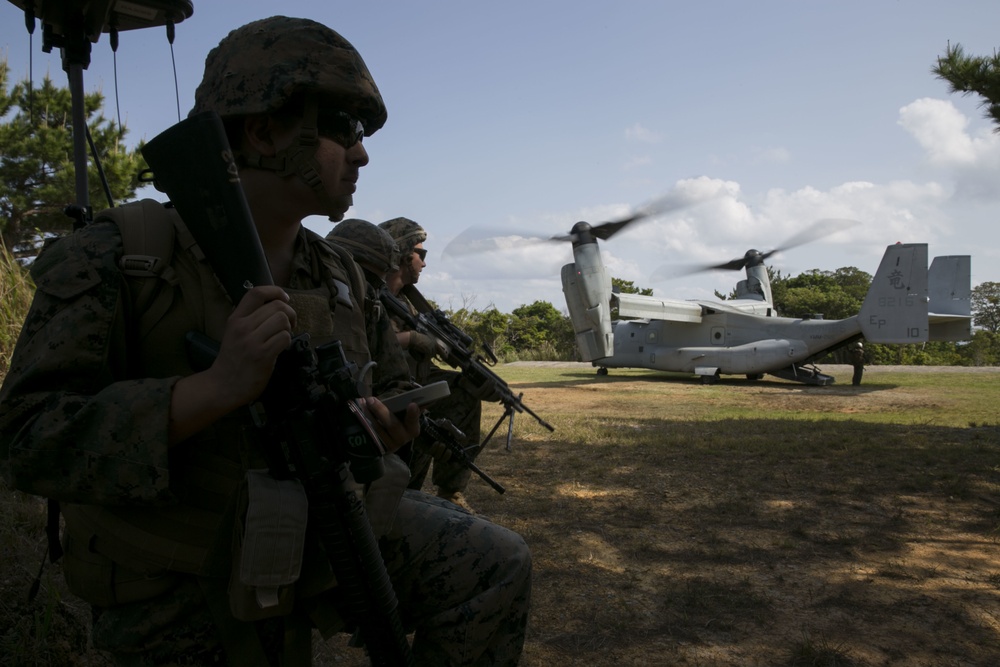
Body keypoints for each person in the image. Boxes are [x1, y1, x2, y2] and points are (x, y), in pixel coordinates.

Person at [0, 16, 530, 667]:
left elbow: (391, 383)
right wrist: (212, 390)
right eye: (344, 128)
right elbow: (25, 439)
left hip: (323, 526)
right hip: (183, 570)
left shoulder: (340, 274)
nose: (362, 155)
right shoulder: (121, 256)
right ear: (262, 130)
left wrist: (389, 420)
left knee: (495, 564)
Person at [380, 217, 496, 511]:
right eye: (421, 253)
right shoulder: (371, 294)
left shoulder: (408, 302)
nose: (424, 262)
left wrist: (471, 378)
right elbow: (369, 344)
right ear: (402, 253)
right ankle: (402, 497)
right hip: (381, 391)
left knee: (462, 392)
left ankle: (449, 492)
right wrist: (412, 339)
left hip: (412, 383)